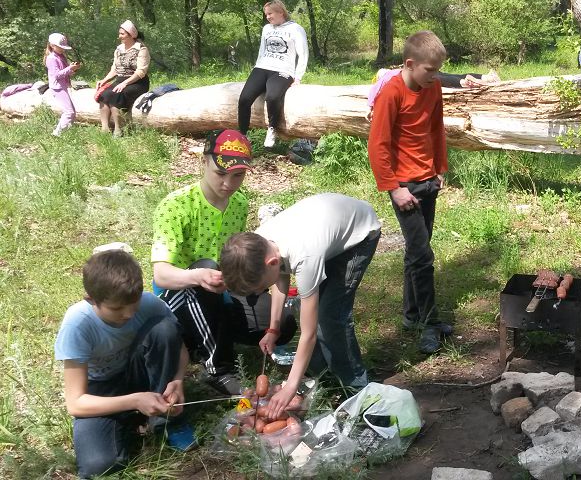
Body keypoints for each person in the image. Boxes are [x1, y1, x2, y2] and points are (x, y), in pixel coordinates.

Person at [151, 129, 296, 396]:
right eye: (220, 173)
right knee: (206, 266)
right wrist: (198, 276)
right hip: (178, 293)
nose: (228, 183)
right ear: (204, 162)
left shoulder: (238, 203)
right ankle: (218, 369)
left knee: (284, 323)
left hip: (221, 289)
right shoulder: (176, 206)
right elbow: (161, 275)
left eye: (237, 175)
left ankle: (201, 338)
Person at [219, 193, 382, 411]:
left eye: (261, 286)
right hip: (325, 231)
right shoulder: (257, 245)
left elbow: (308, 333)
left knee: (330, 316)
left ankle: (358, 388)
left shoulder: (304, 258)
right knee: (320, 313)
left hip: (360, 234)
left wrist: (291, 385)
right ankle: (324, 377)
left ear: (271, 262)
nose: (260, 292)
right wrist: (273, 328)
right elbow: (280, 275)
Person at [54, 250, 196, 478]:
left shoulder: (150, 304)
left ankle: (168, 421)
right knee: (99, 466)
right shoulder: (77, 325)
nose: (129, 314)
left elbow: (180, 349)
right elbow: (76, 403)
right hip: (102, 391)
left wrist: (178, 379)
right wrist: (135, 401)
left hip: (138, 374)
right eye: (117, 308)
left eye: (133, 303)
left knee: (164, 329)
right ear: (91, 299)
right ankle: (129, 422)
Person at [368, 30, 453, 354]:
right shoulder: (391, 93)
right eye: (430, 70)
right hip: (405, 187)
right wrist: (394, 188)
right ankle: (430, 324)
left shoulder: (433, 87)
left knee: (417, 252)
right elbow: (378, 145)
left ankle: (411, 315)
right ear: (409, 64)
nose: (435, 76)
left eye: (438, 70)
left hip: (428, 179)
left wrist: (439, 169)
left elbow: (436, 128)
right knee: (423, 256)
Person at [237, 0, 308, 148]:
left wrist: (298, 77)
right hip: (262, 67)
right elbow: (262, 51)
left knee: (273, 97)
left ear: (281, 12)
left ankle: (272, 129)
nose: (268, 17)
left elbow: (303, 54)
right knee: (244, 99)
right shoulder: (266, 29)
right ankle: (242, 135)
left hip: (283, 71)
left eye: (270, 14)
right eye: (266, 14)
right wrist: (256, 69)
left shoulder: (296, 29)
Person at [366, 67, 500, 122]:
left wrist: (369, 108)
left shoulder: (386, 77)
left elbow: (374, 91)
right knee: (448, 76)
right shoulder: (399, 70)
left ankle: (464, 83)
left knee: (441, 80)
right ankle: (485, 77)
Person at [96, 20, 150, 137]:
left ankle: (118, 129)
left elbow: (141, 71)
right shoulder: (119, 49)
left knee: (117, 95)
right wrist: (104, 80)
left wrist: (125, 83)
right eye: (119, 33)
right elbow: (115, 69)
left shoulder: (141, 49)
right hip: (120, 80)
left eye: (122, 34)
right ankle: (105, 129)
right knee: (103, 95)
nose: (119, 36)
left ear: (131, 35)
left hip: (137, 82)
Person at [45, 32, 81, 137]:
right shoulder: (51, 58)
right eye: (60, 47)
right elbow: (57, 75)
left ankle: (66, 132)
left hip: (63, 86)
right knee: (69, 112)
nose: (62, 49)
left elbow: (65, 72)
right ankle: (57, 134)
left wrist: (73, 69)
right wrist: (70, 68)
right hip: (57, 88)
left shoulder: (61, 57)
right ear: (52, 45)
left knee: (72, 112)